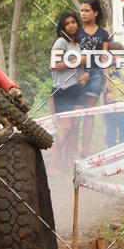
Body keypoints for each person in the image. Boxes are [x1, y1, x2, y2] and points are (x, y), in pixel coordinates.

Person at [49, 11, 89, 171]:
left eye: (73, 22)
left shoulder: (76, 45)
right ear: (62, 27)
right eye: (67, 23)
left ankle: (68, 162)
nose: (71, 25)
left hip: (76, 89)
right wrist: (78, 61)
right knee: (64, 129)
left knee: (75, 125)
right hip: (62, 90)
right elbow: (54, 65)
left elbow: (79, 70)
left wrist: (85, 74)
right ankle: (52, 166)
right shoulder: (60, 42)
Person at [78, 0, 110, 155]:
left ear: (95, 13)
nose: (83, 13)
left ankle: (85, 150)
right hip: (76, 76)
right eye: (81, 10)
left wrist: (107, 79)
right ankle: (71, 151)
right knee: (75, 113)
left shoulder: (103, 34)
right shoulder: (75, 31)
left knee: (89, 113)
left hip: (96, 76)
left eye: (87, 10)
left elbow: (104, 57)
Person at [103, 41, 124, 146]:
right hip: (111, 102)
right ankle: (111, 146)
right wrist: (107, 94)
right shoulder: (107, 71)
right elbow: (104, 84)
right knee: (111, 127)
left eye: (118, 54)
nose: (115, 57)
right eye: (112, 54)